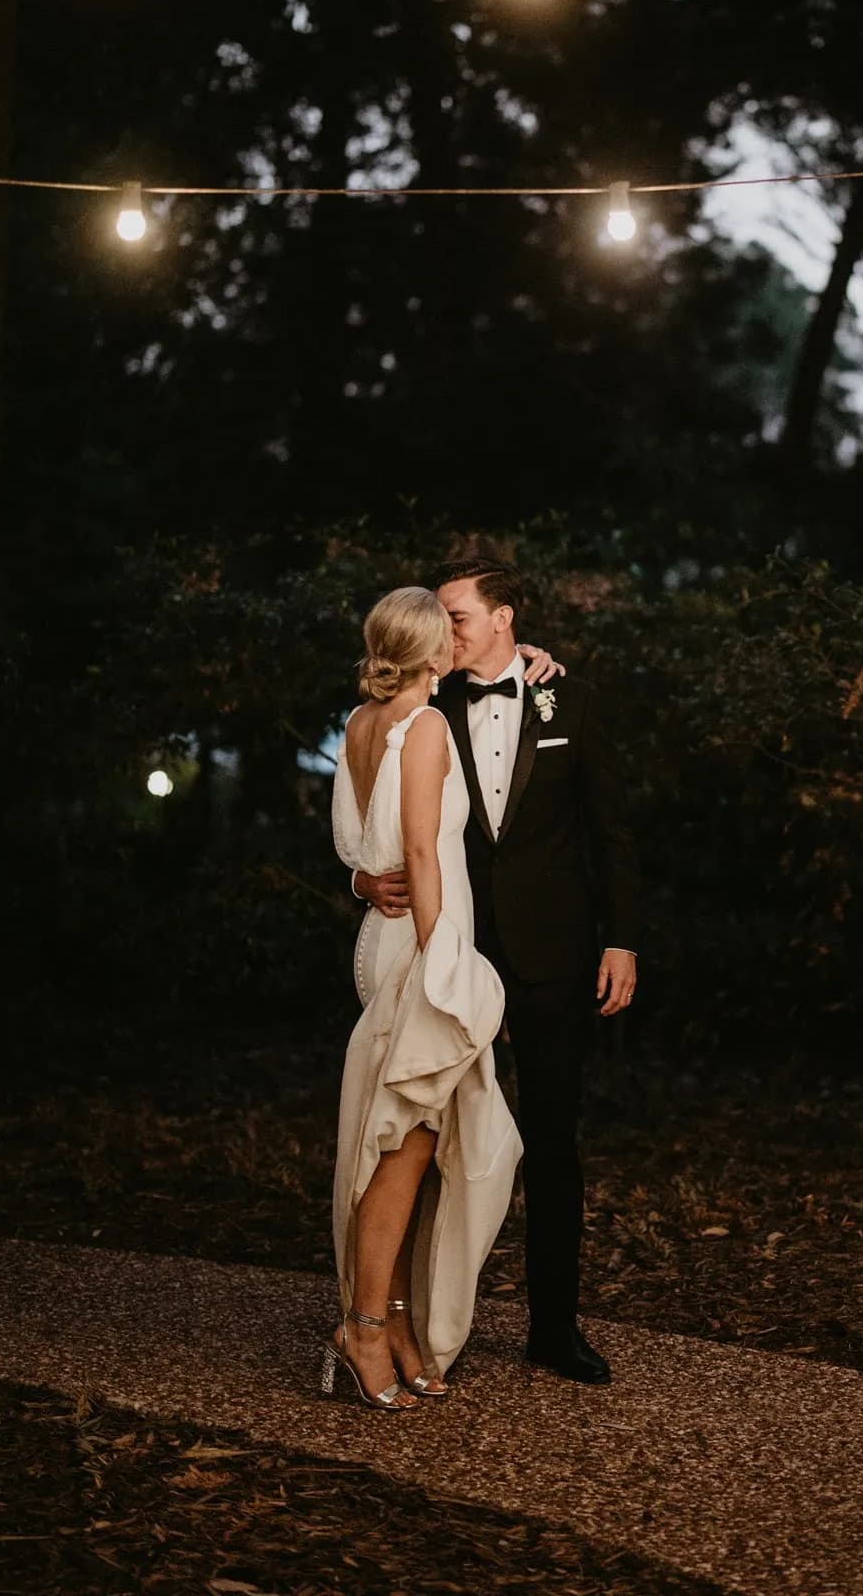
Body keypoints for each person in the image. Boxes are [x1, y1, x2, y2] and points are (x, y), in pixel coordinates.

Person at [354, 557, 639, 1384]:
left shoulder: (569, 700)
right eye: (438, 616)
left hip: (554, 957)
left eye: (457, 614)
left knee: (552, 1143)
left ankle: (553, 1327)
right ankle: (409, 1320)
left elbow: (609, 830)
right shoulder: (424, 702)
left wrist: (620, 939)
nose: (444, 629)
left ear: (504, 616)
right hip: (451, 948)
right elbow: (376, 815)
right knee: (423, 1136)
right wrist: (361, 880)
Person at [325, 585, 524, 1410]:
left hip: (384, 937)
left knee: (417, 1144)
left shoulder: (360, 723)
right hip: (422, 949)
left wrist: (360, 882)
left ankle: (401, 1322)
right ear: (433, 653)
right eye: (449, 634)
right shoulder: (430, 724)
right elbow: (420, 849)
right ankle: (364, 1328)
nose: (457, 645)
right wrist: (453, 968)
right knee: (401, 1150)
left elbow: (352, 844)